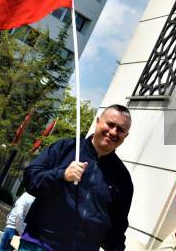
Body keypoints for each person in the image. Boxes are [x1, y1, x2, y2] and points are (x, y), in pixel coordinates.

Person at [21, 104, 133, 251]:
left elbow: (117, 226)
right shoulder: (65, 148)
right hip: (40, 243)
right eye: (110, 124)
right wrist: (62, 175)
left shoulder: (122, 178)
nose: (113, 132)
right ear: (98, 121)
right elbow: (30, 179)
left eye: (120, 129)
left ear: (126, 135)